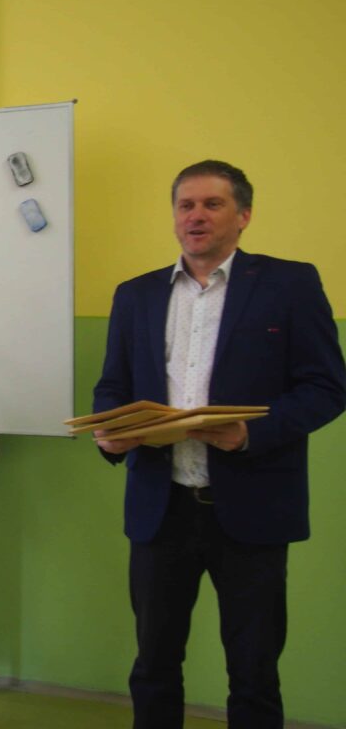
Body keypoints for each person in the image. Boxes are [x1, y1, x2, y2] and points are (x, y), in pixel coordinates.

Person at [92, 160, 346, 728]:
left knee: (253, 671)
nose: (196, 216)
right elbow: (113, 385)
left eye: (212, 204)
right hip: (161, 509)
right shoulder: (136, 295)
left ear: (244, 215)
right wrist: (113, 433)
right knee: (154, 665)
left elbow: (327, 388)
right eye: (186, 205)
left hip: (252, 511)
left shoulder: (289, 285)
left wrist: (252, 433)